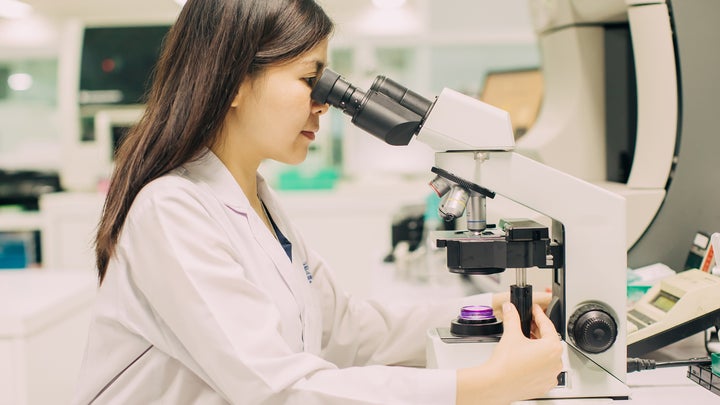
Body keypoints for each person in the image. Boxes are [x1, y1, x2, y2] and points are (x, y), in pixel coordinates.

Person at [72, 1, 563, 404]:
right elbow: (278, 391)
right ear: (237, 81)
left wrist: (483, 311)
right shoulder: (171, 211)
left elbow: (344, 330)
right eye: (311, 79)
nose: (325, 102)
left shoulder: (256, 202)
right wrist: (484, 387)